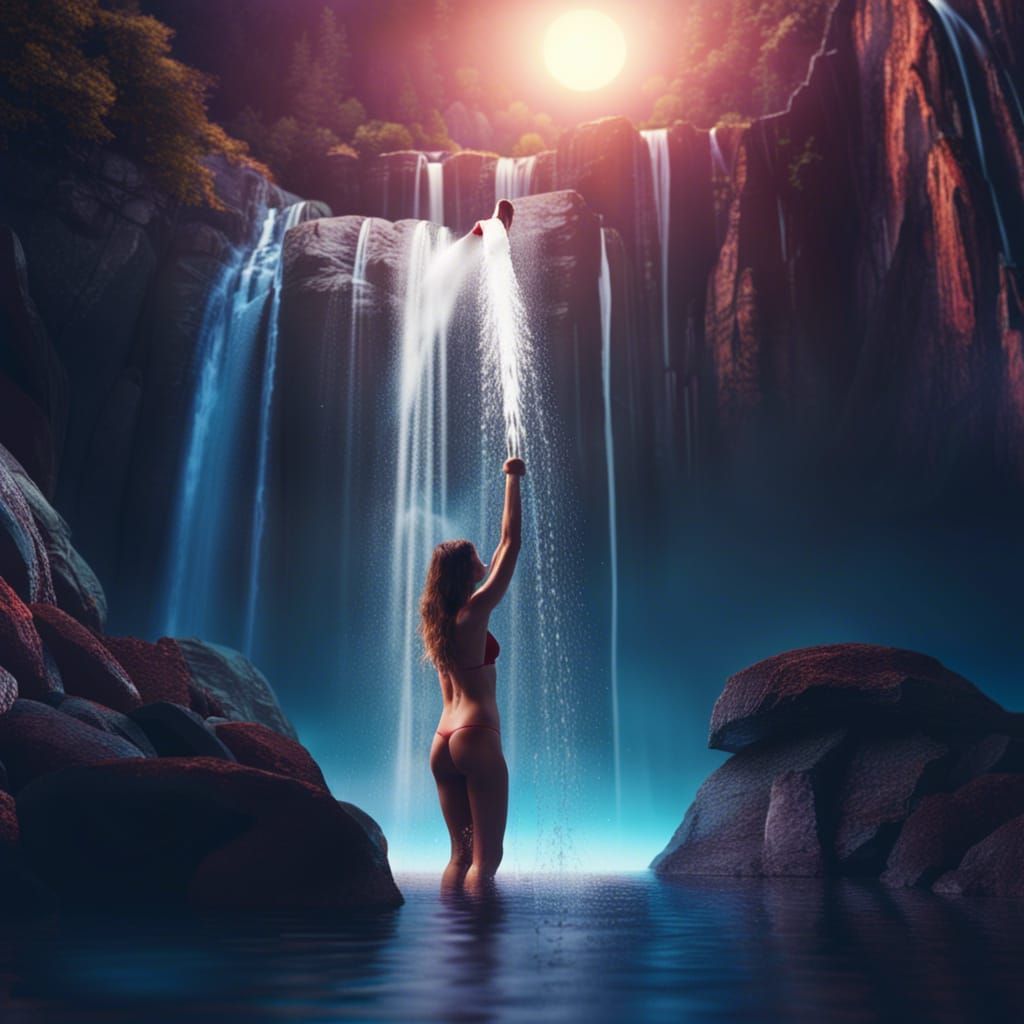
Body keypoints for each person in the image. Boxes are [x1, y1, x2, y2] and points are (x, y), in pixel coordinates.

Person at [419, 455, 525, 891]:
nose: (487, 558)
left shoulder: (438, 622)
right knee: (487, 860)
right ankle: (479, 956)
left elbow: (500, 547)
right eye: (478, 557)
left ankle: (455, 948)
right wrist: (512, 480)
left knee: (459, 856)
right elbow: (511, 542)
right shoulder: (473, 613)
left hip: (443, 741)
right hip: (476, 735)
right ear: (466, 572)